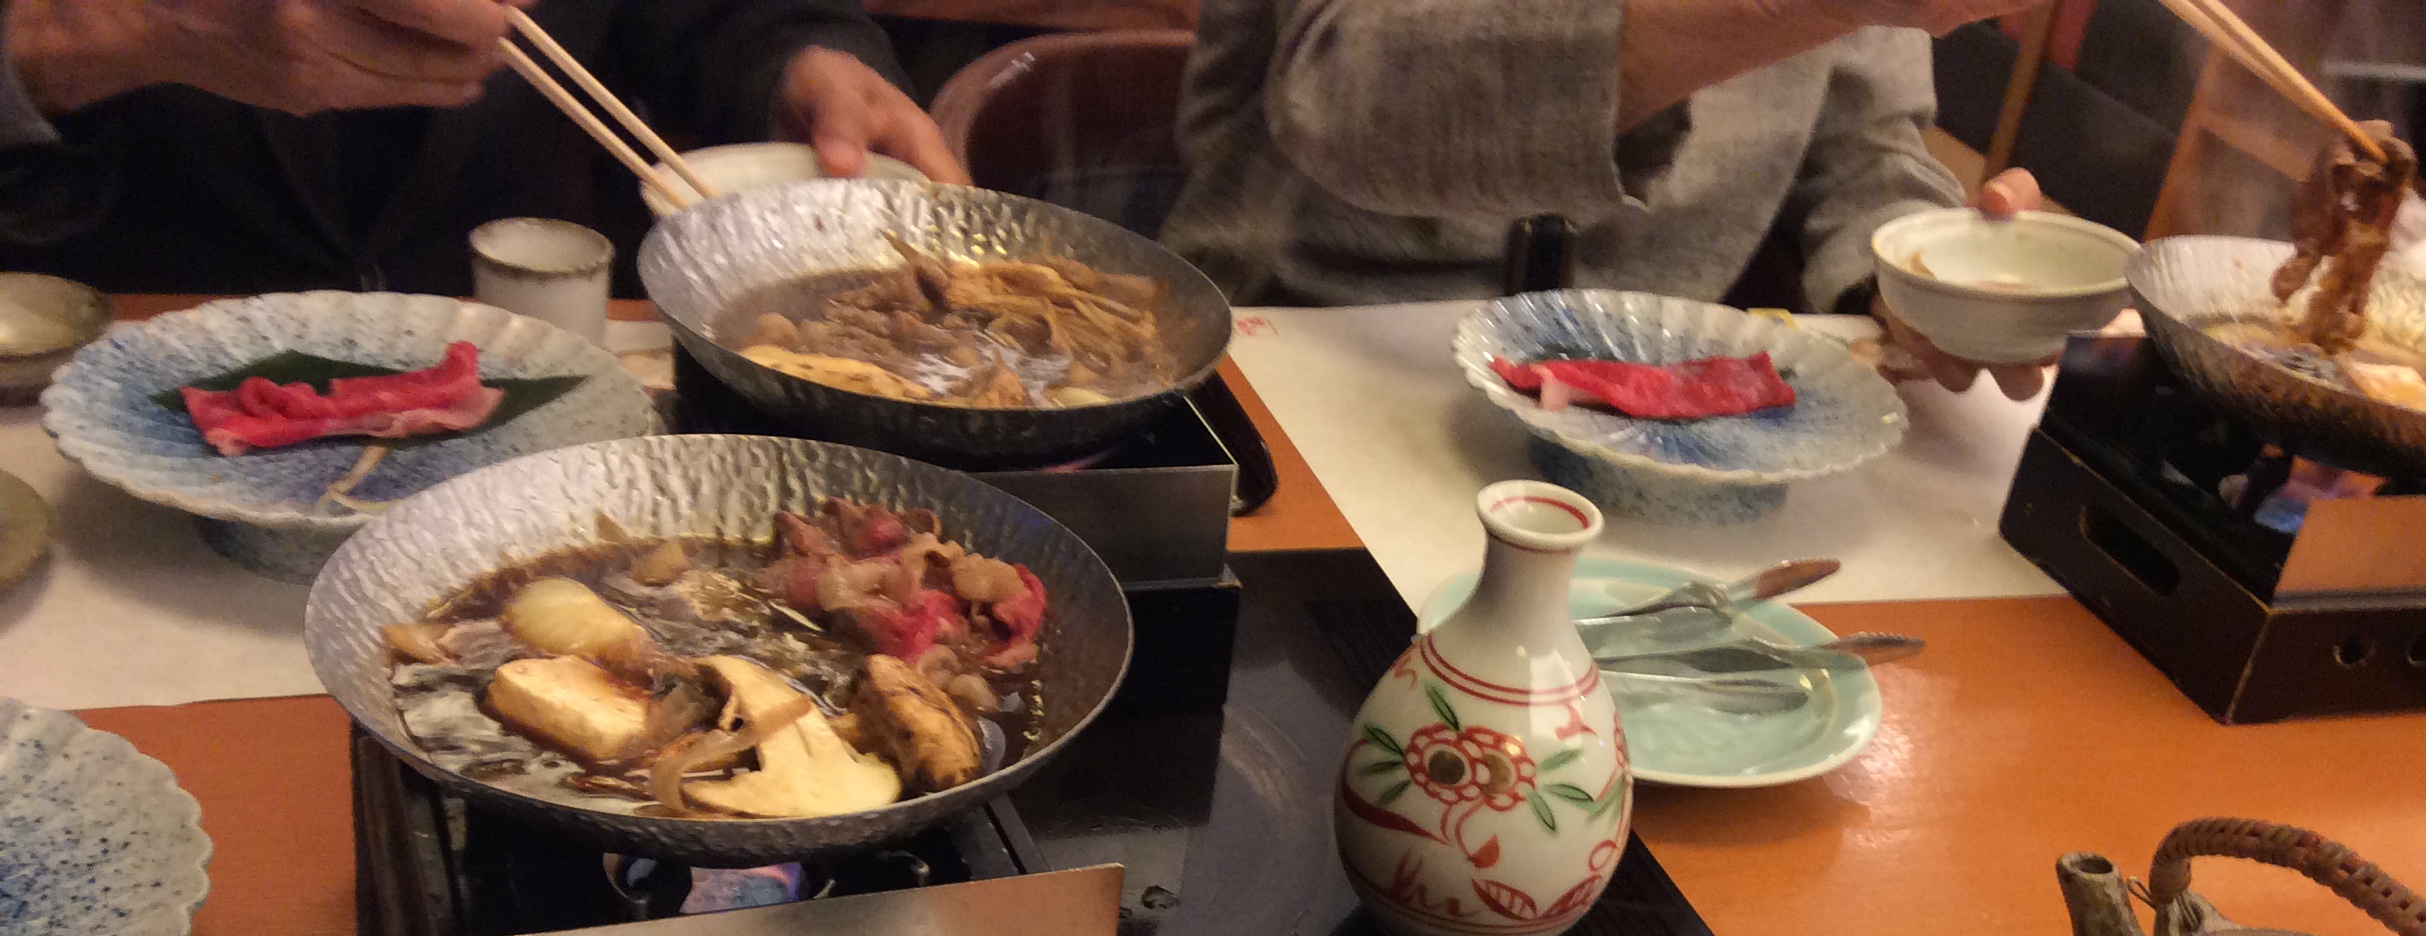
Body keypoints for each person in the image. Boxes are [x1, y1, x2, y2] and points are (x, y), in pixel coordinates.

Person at [1162, 0, 2051, 396]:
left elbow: (1865, 145)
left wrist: (1921, 270)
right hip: (1293, 354)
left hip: (1646, 404)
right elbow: (1349, 100)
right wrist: (1787, 10)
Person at [0, 0, 965, 295]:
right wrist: (109, 28)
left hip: (515, 380)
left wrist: (806, 61)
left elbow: (730, 14)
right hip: (104, 380)